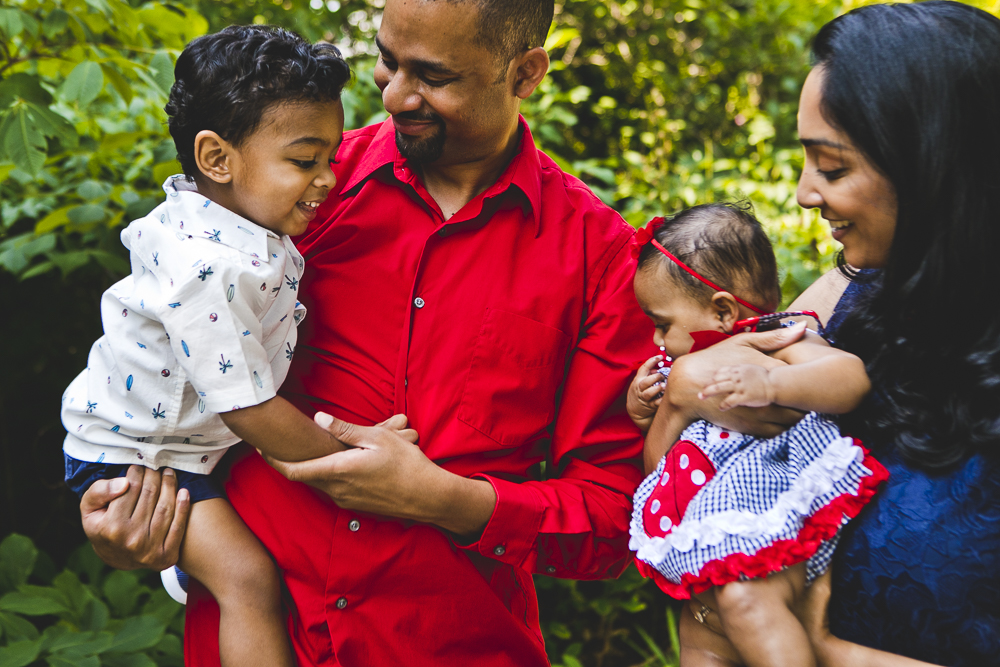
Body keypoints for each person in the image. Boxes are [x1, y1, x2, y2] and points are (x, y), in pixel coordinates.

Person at [77, 0, 653, 665]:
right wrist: (130, 513)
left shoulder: (600, 256)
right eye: (387, 61)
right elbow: (156, 358)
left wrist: (447, 501)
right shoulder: (294, 185)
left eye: (434, 76)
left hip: (451, 645)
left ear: (524, 73)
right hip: (266, 634)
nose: (397, 95)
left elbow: (614, 521)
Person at [653, 2, 1000, 665]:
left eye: (833, 167)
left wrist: (824, 649)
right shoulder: (845, 299)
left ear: (934, 167)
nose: (805, 194)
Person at [59, 26, 382, 667]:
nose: (326, 180)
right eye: (304, 160)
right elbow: (248, 408)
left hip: (173, 447)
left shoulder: (228, 223)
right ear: (216, 159)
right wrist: (356, 453)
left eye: (331, 159)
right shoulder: (208, 267)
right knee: (248, 583)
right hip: (134, 460)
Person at [625, 203, 886, 667]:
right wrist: (649, 409)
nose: (657, 341)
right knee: (701, 638)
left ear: (723, 309)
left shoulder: (780, 337)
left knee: (749, 606)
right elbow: (659, 469)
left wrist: (773, 384)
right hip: (709, 561)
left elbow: (850, 380)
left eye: (662, 323)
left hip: (766, 529)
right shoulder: (683, 371)